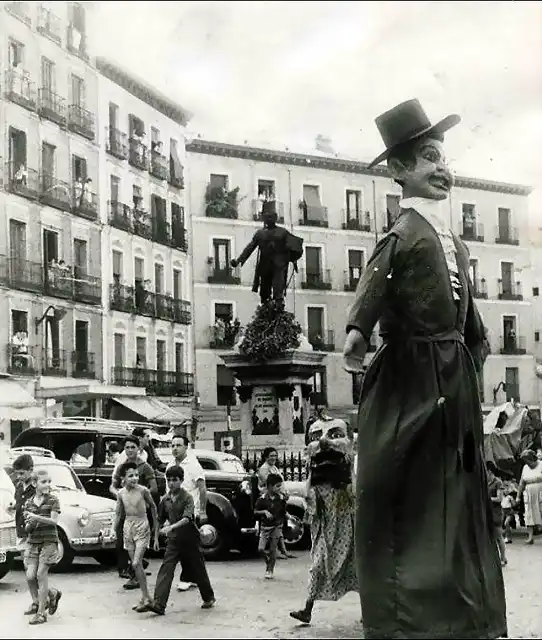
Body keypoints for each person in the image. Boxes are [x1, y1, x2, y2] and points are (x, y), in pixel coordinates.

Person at [343, 99, 506, 639]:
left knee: (457, 491)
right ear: (399, 171)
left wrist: (476, 342)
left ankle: (464, 615)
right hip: (411, 374)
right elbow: (374, 282)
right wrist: (357, 332)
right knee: (403, 489)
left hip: (453, 374)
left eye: (443, 157)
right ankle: (405, 619)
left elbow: (468, 307)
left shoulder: (455, 242)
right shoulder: (401, 234)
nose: (444, 169)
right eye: (430, 157)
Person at [290, 416, 358, 625]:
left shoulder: (349, 473)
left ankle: (369, 608)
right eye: (316, 436)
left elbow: (355, 494)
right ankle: (307, 609)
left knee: (357, 567)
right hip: (325, 529)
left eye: (336, 435)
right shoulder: (316, 477)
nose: (324, 442)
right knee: (318, 565)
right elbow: (309, 498)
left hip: (348, 529)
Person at [142, 465, 216, 615]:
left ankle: (208, 597)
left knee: (198, 569)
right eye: (168, 480)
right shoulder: (166, 499)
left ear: (181, 480)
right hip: (174, 541)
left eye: (174, 480)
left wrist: (171, 527)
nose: (171, 483)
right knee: (166, 569)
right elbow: (159, 519)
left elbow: (188, 518)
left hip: (190, 539)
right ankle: (159, 604)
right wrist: (155, 538)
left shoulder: (187, 497)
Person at [7, 455, 59, 620]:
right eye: (17, 474)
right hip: (22, 531)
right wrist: (13, 506)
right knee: (28, 569)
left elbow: (47, 508)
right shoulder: (19, 486)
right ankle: (38, 599)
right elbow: (20, 503)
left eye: (22, 473)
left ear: (31, 471)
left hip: (36, 534)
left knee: (36, 571)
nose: (19, 476)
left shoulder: (37, 487)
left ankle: (44, 599)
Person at [231, 200, 303, 303]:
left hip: (278, 266)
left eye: (271, 216)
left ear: (275, 217)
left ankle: (278, 311)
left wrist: (292, 257)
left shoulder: (283, 232)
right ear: (263, 218)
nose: (269, 218)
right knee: (264, 294)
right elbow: (250, 248)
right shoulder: (260, 234)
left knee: (278, 292)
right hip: (265, 266)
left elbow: (294, 247)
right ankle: (265, 312)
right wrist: (239, 261)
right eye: (267, 216)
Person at [110, 436, 157, 589]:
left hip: (141, 510)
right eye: (127, 447)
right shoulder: (122, 467)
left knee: (139, 542)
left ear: (139, 449)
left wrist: (140, 496)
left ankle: (136, 574)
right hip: (125, 510)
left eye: (133, 447)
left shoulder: (145, 467)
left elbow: (154, 488)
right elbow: (112, 486)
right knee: (124, 542)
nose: (130, 450)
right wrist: (119, 493)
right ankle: (132, 571)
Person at [114, 461, 159, 612]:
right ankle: (146, 598)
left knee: (135, 563)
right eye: (130, 476)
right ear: (123, 478)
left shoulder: (143, 490)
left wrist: (156, 532)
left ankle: (146, 597)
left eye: (136, 475)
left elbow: (153, 507)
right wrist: (114, 530)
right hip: (128, 527)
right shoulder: (121, 493)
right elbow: (119, 514)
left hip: (142, 526)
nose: (134, 478)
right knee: (137, 565)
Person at [165, 434, 209, 591]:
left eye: (178, 445)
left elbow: (202, 488)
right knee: (185, 545)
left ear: (186, 447)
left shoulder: (193, 465)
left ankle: (187, 577)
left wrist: (202, 510)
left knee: (187, 545)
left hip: (190, 511)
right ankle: (194, 576)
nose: (175, 448)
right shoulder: (170, 464)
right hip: (174, 511)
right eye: (173, 445)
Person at [22, 469, 63, 625]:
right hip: (33, 542)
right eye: (43, 482)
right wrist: (30, 524)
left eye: (48, 481)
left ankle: (41, 613)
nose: (47, 485)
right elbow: (27, 528)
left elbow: (54, 521)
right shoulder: (29, 502)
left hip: (49, 542)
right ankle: (51, 593)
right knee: (30, 576)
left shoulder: (53, 500)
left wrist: (36, 517)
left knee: (40, 574)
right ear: (34, 483)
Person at [257, 448, 294, 559]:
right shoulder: (264, 469)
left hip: (277, 498)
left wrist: (285, 493)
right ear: (266, 457)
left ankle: (283, 550)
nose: (273, 458)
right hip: (269, 500)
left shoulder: (274, 468)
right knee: (273, 525)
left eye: (275, 456)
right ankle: (275, 550)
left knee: (279, 524)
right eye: (271, 456)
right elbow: (271, 484)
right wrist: (282, 493)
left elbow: (280, 483)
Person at [254, 473, 287, 580]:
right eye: (277, 486)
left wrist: (287, 515)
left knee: (273, 549)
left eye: (280, 486)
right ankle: (269, 562)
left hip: (277, 526)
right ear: (269, 486)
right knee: (260, 549)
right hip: (265, 527)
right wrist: (264, 512)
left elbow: (283, 512)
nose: (279, 488)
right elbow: (255, 512)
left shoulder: (280, 499)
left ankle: (270, 569)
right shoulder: (262, 499)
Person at [517, 449, 542, 544]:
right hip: (528, 493)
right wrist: (518, 496)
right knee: (529, 514)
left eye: (527, 459)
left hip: (540, 492)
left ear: (532, 458)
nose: (526, 462)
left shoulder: (541, 465)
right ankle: (530, 537)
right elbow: (521, 483)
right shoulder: (525, 468)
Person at [487, 462, 507, 566]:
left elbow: (499, 498)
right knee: (490, 537)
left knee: (499, 536)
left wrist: (487, 499)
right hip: (487, 512)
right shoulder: (484, 482)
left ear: (489, 471)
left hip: (496, 513)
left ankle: (503, 558)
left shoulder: (497, 482)